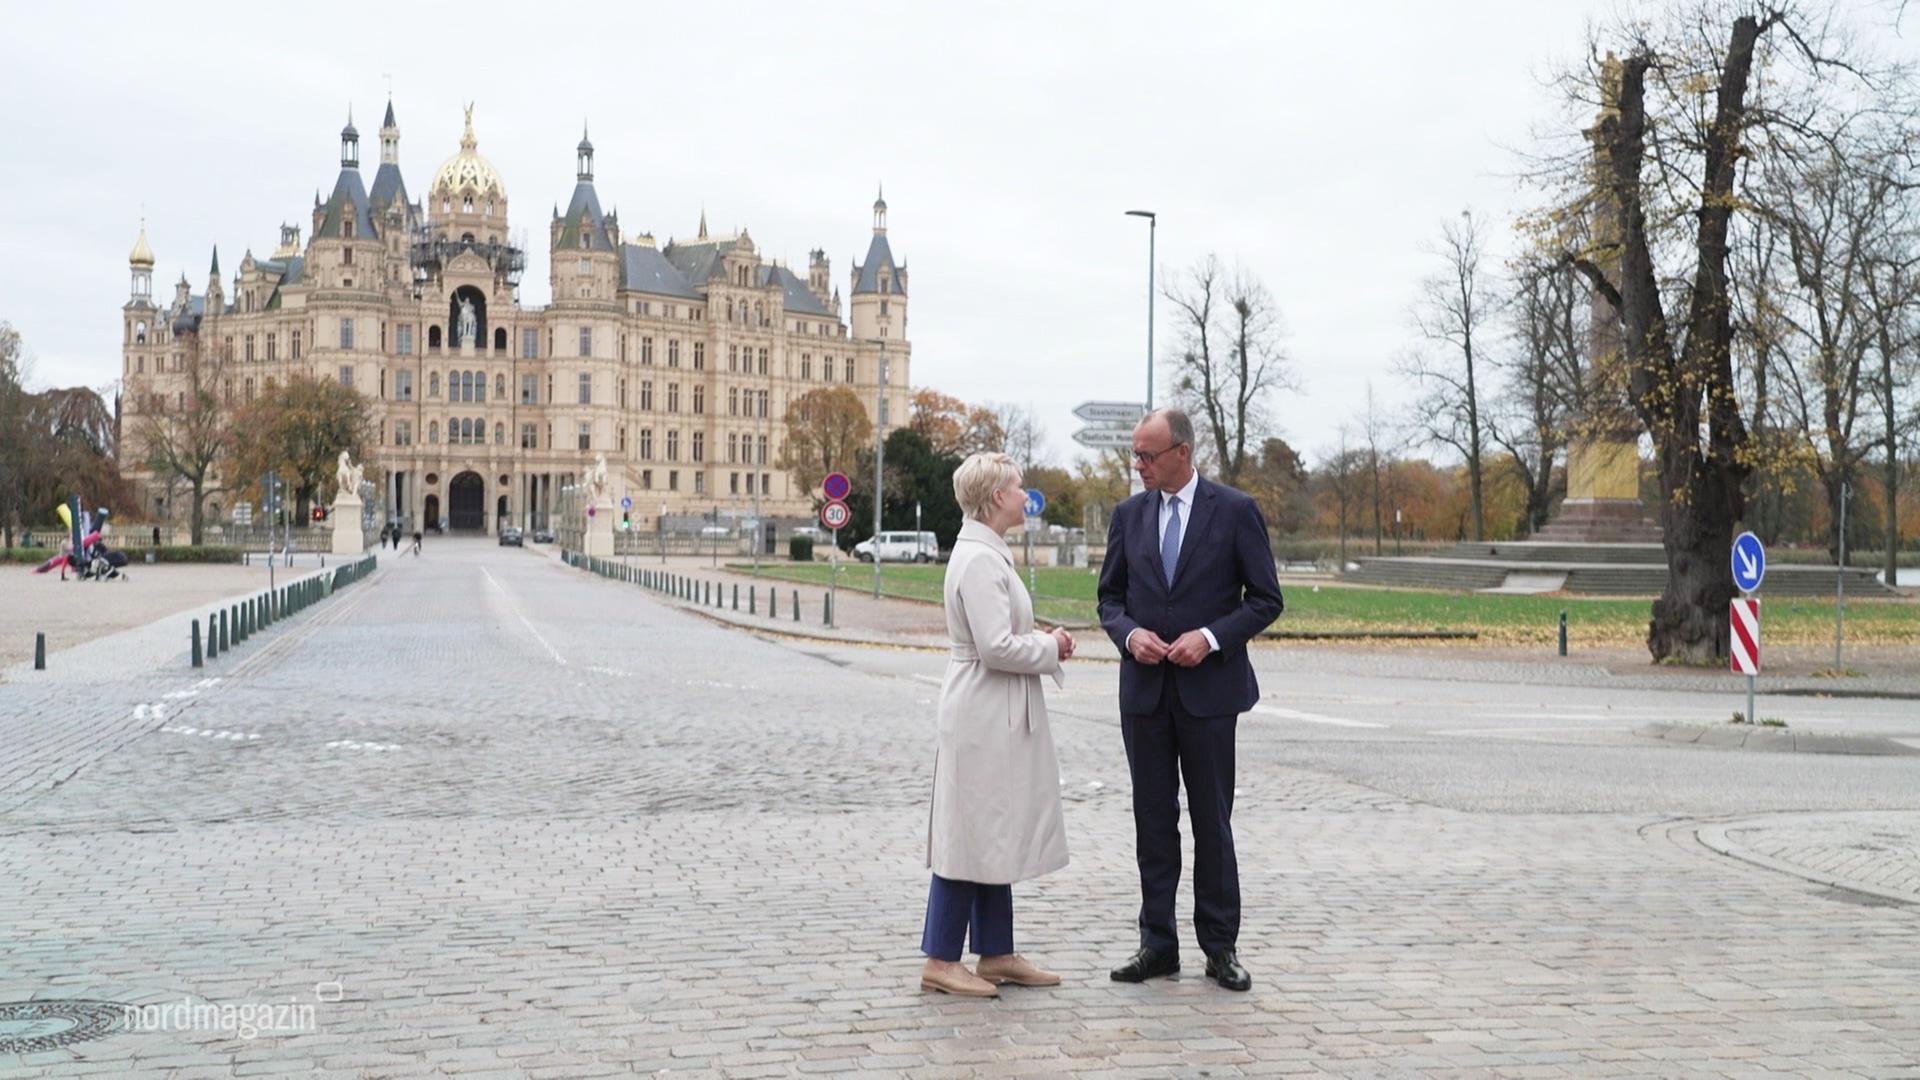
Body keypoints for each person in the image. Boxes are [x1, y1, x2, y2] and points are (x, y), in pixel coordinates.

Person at [1097, 407, 1283, 993]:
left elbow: (1265, 599)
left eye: (1147, 455)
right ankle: (1157, 944)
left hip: (1210, 695)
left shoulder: (1234, 511)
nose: (1138, 465)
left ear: (1183, 452)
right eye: (1136, 454)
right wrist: (1130, 635)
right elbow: (1109, 600)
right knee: (1153, 821)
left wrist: (1209, 638)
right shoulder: (1128, 515)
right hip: (1145, 696)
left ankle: (1220, 947)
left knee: (1212, 823)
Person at [920, 451, 1075, 998]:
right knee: (969, 831)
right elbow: (996, 646)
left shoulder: (986, 551)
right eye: (1016, 485)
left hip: (992, 708)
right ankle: (941, 956)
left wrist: (1041, 642)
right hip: (983, 709)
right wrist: (1051, 645)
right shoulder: (981, 560)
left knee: (993, 828)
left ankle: (997, 951)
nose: (1024, 493)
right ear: (993, 499)